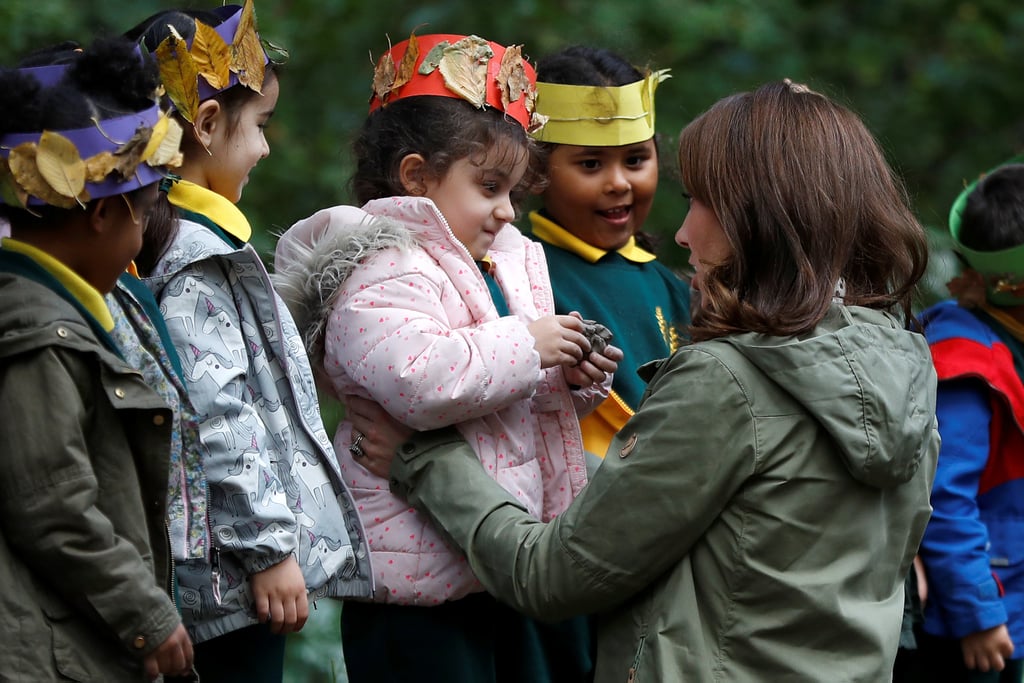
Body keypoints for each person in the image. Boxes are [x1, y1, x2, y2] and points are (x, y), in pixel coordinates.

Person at [351, 79, 942, 682]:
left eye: (700, 202)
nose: (682, 233)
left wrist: (425, 458)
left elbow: (554, 574)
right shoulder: (908, 363)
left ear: (761, 220)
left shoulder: (729, 384)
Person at [273, 32, 621, 682]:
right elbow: (420, 378)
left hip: (498, 560)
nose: (506, 210)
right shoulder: (377, 263)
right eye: (490, 186)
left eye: (514, 190)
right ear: (415, 175)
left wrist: (569, 377)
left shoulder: (506, 255)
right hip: (418, 583)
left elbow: (506, 396)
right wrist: (530, 344)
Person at [125, 3, 373, 681]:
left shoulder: (186, 244)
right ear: (206, 125)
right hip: (231, 579)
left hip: (226, 573)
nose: (265, 148)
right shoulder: (196, 259)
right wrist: (268, 550)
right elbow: (217, 413)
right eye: (259, 126)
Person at [0, 36, 194, 680]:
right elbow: (51, 501)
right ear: (103, 214)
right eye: (142, 217)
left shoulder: (61, 312)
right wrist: (148, 614)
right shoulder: (34, 334)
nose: (144, 236)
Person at [525, 45, 691, 459]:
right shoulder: (519, 274)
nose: (619, 183)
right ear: (535, 171)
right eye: (591, 164)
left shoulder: (678, 288)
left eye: (635, 159)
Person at [916, 160, 1024, 682]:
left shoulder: (1012, 333)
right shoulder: (966, 358)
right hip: (992, 621)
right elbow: (943, 498)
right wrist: (978, 613)